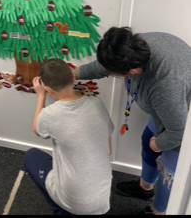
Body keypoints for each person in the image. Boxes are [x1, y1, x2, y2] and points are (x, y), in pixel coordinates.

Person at [72, 26, 191, 215]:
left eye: (114, 74)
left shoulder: (165, 86)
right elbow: (104, 66)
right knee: (148, 141)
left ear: (132, 70)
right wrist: (73, 74)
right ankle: (144, 189)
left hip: (184, 124)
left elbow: (179, 132)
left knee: (168, 173)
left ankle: (157, 211)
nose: (110, 74)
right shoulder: (132, 46)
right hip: (172, 109)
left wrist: (159, 144)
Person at [24, 58, 114, 215]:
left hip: (74, 202)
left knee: (31, 156)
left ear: (48, 90)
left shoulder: (49, 115)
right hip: (102, 201)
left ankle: (61, 210)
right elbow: (108, 150)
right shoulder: (97, 103)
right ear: (73, 78)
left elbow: (37, 129)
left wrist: (40, 96)